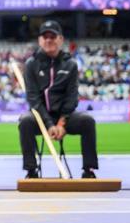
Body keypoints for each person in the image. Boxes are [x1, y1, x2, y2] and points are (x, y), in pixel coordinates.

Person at [19, 19, 99, 179]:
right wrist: (49, 125)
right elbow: (34, 99)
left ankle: (88, 170)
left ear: (60, 39)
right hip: (40, 118)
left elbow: (72, 97)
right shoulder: (31, 64)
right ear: (40, 40)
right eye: (45, 37)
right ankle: (31, 171)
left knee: (87, 121)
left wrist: (61, 123)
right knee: (25, 121)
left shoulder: (70, 64)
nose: (49, 40)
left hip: (65, 118)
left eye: (53, 37)